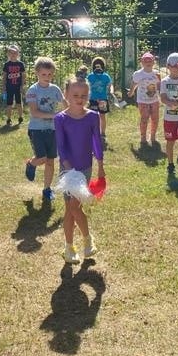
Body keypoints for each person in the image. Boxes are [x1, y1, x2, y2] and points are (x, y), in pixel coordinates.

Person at [55, 76, 105, 263]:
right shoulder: (60, 118)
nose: (79, 98)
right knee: (71, 208)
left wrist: (100, 166)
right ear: (66, 94)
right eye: (75, 95)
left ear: (88, 96)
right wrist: (69, 169)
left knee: (73, 207)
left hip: (85, 168)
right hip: (68, 171)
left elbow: (96, 142)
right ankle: (76, 244)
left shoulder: (92, 116)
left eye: (84, 95)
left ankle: (79, 244)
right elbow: (61, 146)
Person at [24, 57, 64, 202]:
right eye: (43, 74)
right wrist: (54, 115)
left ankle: (47, 189)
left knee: (50, 161)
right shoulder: (33, 90)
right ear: (37, 73)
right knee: (42, 158)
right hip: (36, 129)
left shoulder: (55, 89)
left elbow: (65, 104)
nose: (47, 77)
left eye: (50, 74)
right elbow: (34, 112)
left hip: (52, 130)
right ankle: (31, 163)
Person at [129, 52, 161, 146]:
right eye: (145, 61)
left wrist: (162, 95)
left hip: (154, 100)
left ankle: (153, 135)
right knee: (144, 118)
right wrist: (131, 92)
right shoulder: (138, 74)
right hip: (142, 101)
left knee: (155, 119)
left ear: (153, 62)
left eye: (150, 61)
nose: (148, 63)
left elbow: (159, 85)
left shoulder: (156, 74)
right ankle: (143, 136)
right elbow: (134, 84)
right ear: (142, 63)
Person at [86, 56, 113, 143]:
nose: (98, 68)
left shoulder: (106, 76)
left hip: (103, 99)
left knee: (102, 116)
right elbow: (86, 85)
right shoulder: (90, 76)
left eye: (100, 65)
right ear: (93, 66)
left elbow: (110, 85)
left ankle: (103, 133)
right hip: (92, 99)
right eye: (96, 65)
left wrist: (111, 91)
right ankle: (93, 132)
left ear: (103, 66)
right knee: (93, 116)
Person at [2, 44, 26, 126]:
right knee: (9, 104)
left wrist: (22, 86)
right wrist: (3, 86)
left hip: (18, 87)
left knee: (19, 103)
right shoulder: (7, 64)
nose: (13, 54)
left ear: (18, 53)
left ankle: (20, 118)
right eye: (11, 53)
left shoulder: (21, 64)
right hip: (9, 87)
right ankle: (8, 119)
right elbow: (4, 76)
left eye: (15, 52)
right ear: (8, 54)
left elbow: (23, 76)